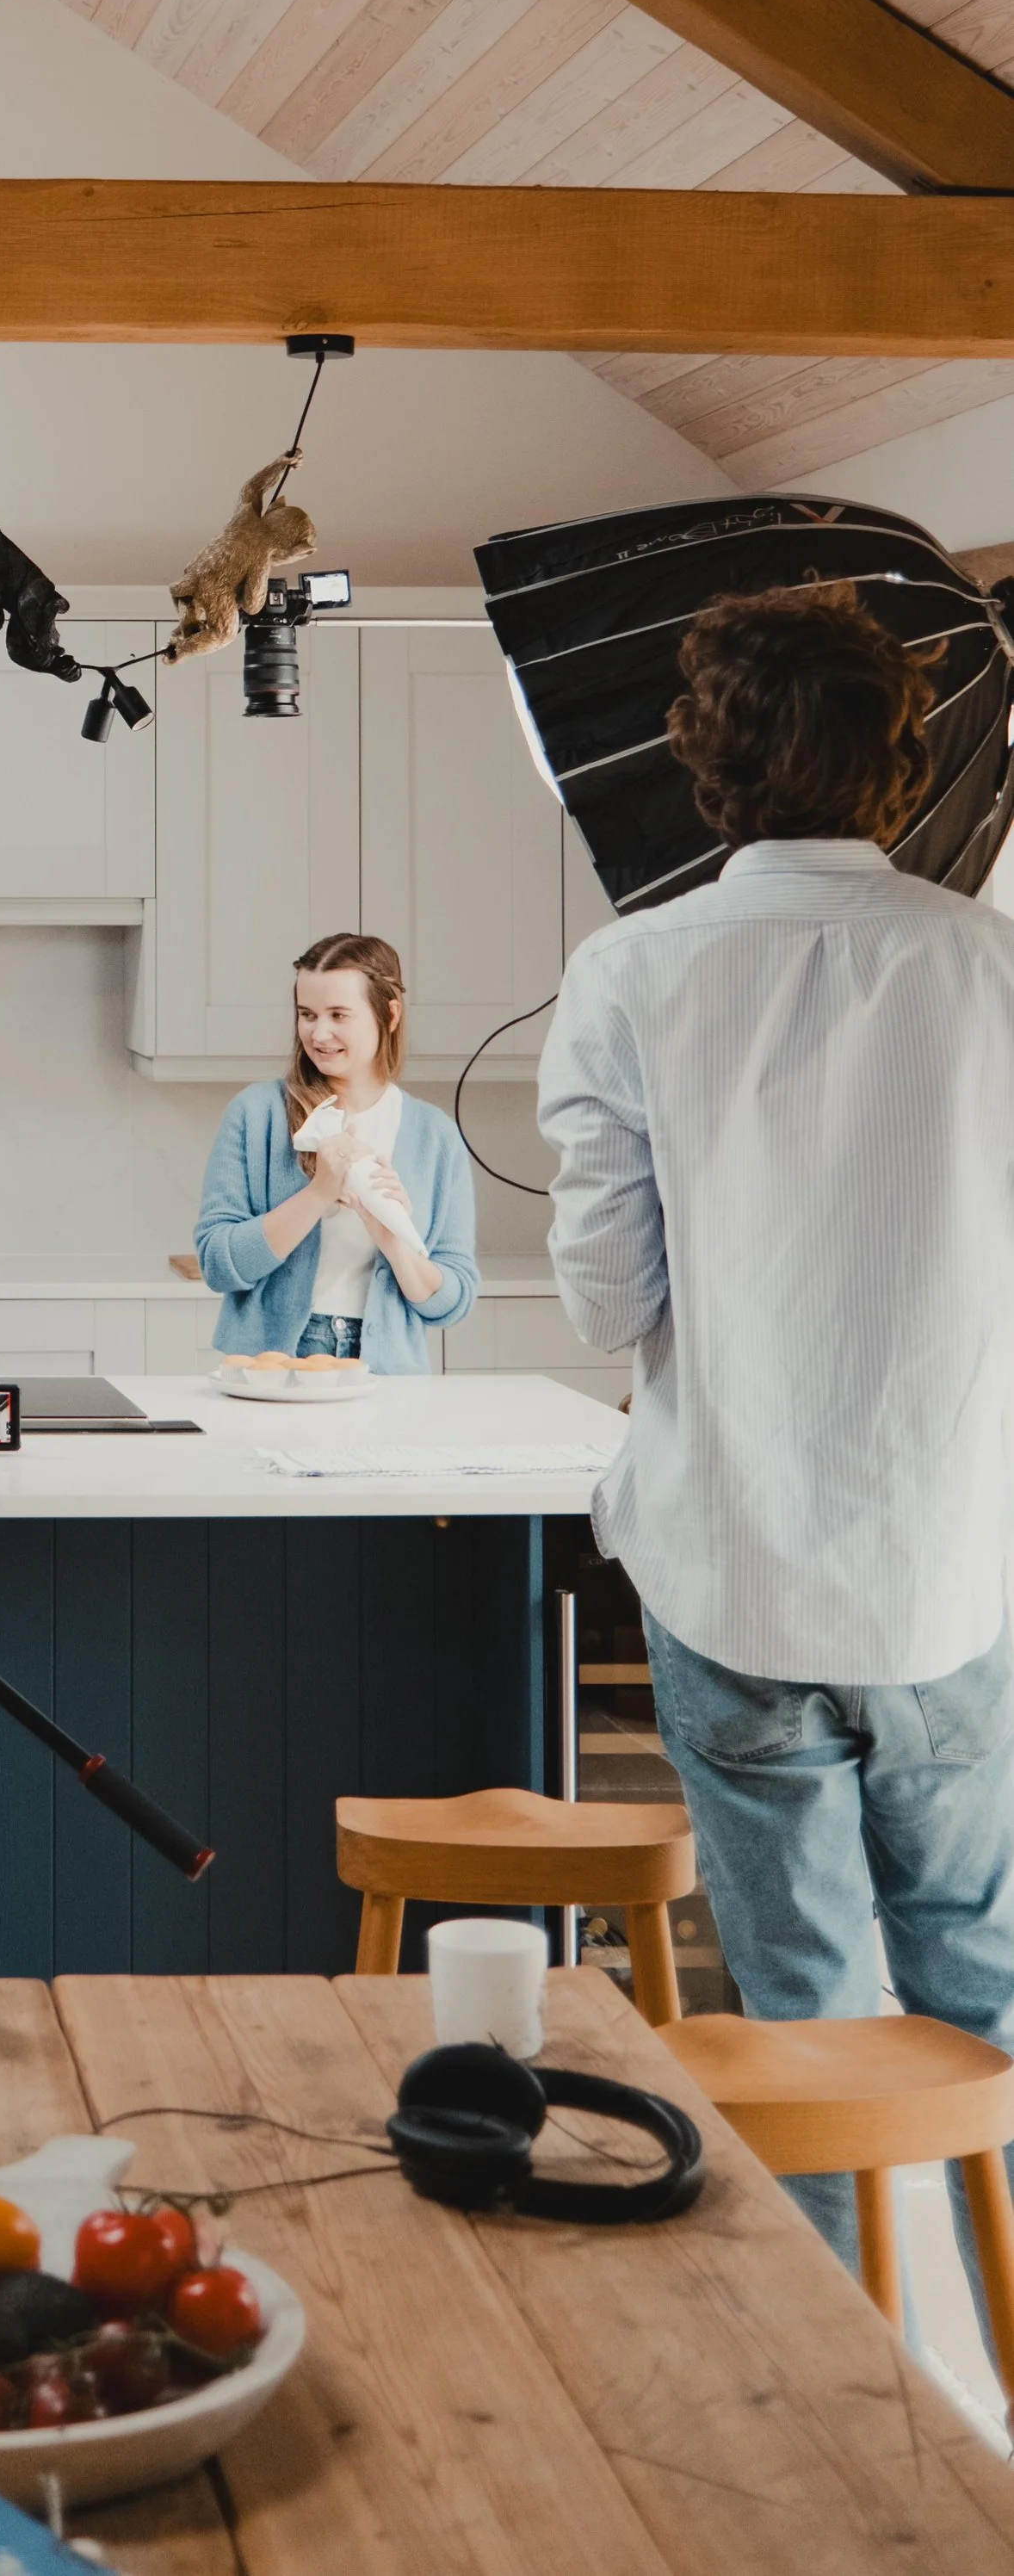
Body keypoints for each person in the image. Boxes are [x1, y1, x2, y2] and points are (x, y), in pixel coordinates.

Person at [540, 580, 1014, 2293]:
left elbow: (600, 1300)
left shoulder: (627, 974)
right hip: (947, 1558)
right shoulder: (988, 967)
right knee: (980, 1986)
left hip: (724, 1546)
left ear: (701, 763)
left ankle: (823, 2361)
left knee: (794, 2001)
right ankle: (991, 2338)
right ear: (898, 754)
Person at [195, 932, 479, 1370]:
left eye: (338, 1014)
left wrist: (396, 1243)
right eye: (307, 1014)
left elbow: (451, 1302)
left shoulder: (434, 1136)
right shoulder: (257, 1114)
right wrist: (318, 1194)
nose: (318, 1032)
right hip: (274, 1363)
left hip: (386, 1368)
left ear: (390, 1014)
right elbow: (219, 1264)